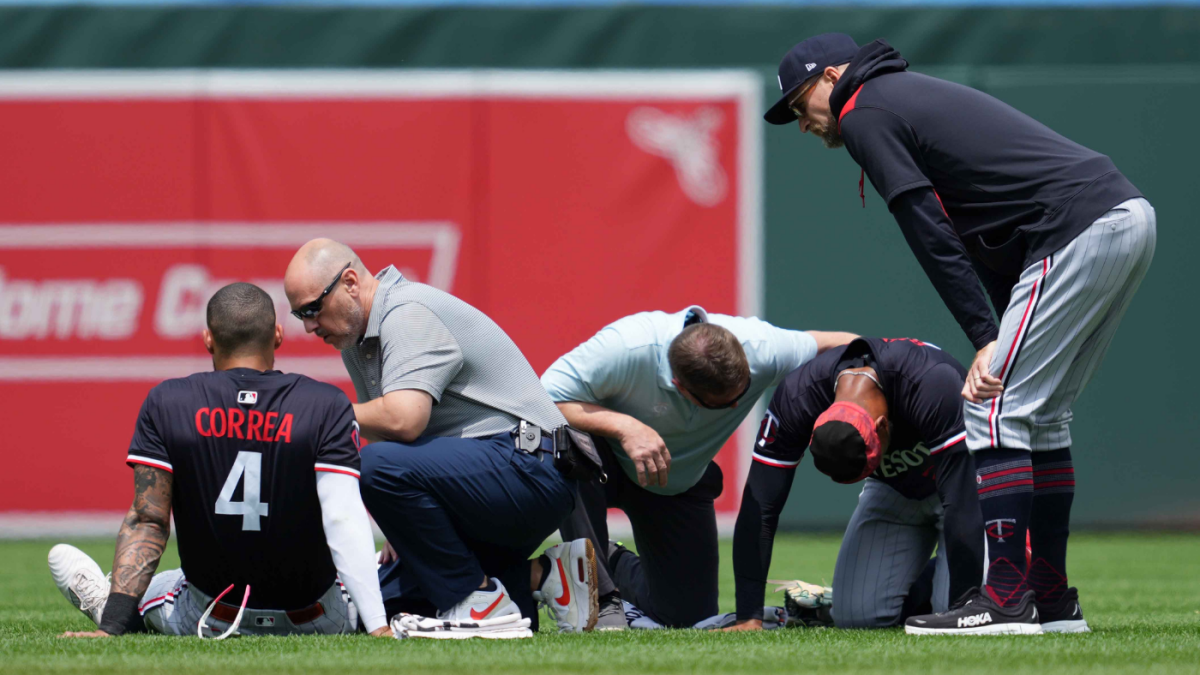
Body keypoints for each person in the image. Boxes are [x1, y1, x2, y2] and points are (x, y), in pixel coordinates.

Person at [766, 33, 1154, 634]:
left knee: (994, 406)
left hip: (1076, 226)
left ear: (833, 78)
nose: (803, 122)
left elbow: (928, 228)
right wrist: (994, 329)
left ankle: (1006, 600)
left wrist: (983, 336)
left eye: (800, 104)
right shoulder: (895, 96)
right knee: (1042, 416)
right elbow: (986, 238)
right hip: (1117, 219)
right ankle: (1051, 602)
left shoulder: (863, 110)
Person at [284, 239, 596, 636]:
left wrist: (321, 413)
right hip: (493, 478)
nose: (309, 326)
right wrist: (401, 521)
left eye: (312, 309)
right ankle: (547, 577)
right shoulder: (358, 338)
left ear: (349, 282)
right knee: (380, 604)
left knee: (375, 467)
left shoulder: (406, 312)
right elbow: (385, 434)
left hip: (532, 469)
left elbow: (403, 420)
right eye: (299, 315)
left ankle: (479, 599)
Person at [48, 283, 390, 639]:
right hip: (315, 618)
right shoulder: (326, 403)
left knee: (162, 585)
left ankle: (110, 606)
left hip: (211, 615)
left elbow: (148, 519)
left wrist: (111, 626)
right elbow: (342, 515)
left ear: (208, 339)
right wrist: (377, 625)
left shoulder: (169, 402)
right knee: (381, 566)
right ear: (277, 335)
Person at [542, 305, 855, 628]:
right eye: (724, 404)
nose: (737, 405)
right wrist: (625, 427)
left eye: (744, 389)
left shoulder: (763, 348)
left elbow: (852, 347)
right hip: (601, 464)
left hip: (674, 480)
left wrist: (869, 390)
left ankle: (603, 559)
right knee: (563, 443)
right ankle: (596, 592)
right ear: (680, 386)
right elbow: (543, 399)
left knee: (688, 617)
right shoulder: (627, 346)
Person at [726, 336, 983, 631]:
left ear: (882, 425)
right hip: (893, 489)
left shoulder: (931, 381)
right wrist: (748, 616)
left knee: (956, 610)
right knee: (855, 617)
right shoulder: (799, 396)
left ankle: (1010, 559)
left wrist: (963, 606)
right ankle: (916, 585)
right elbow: (760, 505)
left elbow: (962, 500)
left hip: (965, 486)